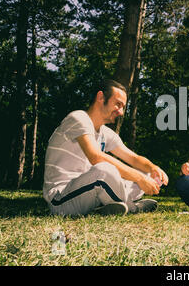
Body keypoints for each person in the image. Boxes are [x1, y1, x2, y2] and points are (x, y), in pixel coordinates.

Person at [43, 79, 169, 216]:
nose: (121, 112)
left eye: (123, 107)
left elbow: (134, 159)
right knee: (104, 169)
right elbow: (96, 157)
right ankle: (133, 208)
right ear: (100, 97)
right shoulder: (78, 118)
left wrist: (153, 168)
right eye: (118, 104)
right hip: (61, 199)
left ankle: (106, 207)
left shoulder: (105, 132)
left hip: (90, 191)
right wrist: (139, 178)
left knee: (145, 173)